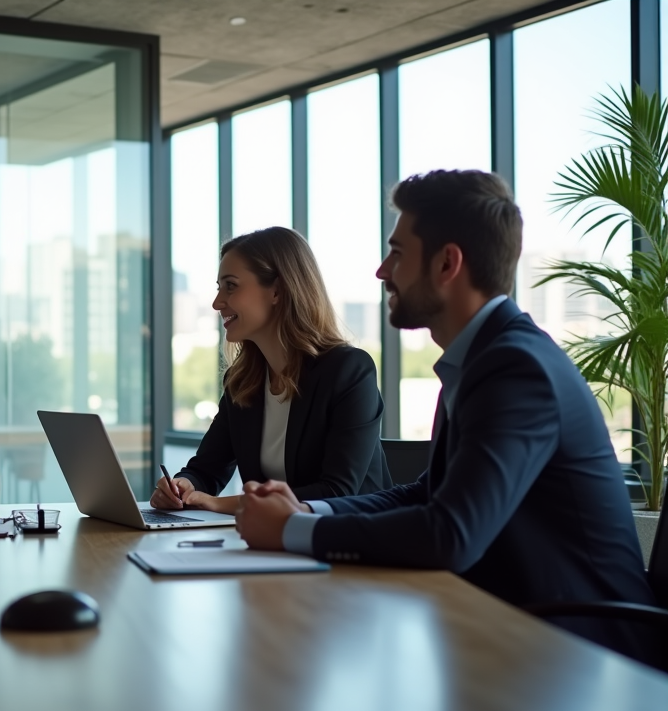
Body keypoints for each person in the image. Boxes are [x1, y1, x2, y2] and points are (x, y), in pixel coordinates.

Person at [235, 170, 660, 665]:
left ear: (446, 263)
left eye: (397, 253)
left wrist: (291, 531)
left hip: (591, 652)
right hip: (520, 636)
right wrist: (308, 512)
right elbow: (426, 493)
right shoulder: (480, 359)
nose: (382, 271)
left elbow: (451, 533)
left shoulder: (515, 367)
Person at [151, 227, 390, 515]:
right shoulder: (242, 383)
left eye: (230, 286)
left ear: (277, 290)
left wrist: (217, 503)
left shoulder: (348, 371)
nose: (217, 303)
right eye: (218, 288)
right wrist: (182, 486)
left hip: (351, 537)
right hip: (273, 538)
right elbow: (206, 470)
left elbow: (336, 493)